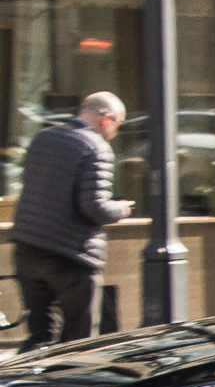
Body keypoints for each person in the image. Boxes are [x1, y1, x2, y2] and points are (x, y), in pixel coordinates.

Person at [10, 91, 130, 350]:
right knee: (79, 339)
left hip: (27, 249)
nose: (115, 132)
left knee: (40, 335)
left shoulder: (42, 138)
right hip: (70, 255)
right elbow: (94, 207)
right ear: (107, 120)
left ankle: (27, 385)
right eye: (118, 125)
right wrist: (119, 210)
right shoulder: (97, 148)